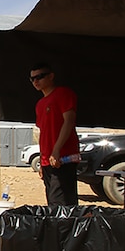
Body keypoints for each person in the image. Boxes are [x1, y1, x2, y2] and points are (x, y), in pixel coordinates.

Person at [30, 62, 80, 206]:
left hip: (64, 157)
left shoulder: (63, 94)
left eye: (40, 77)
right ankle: (58, 227)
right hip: (48, 160)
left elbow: (69, 121)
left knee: (61, 200)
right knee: (52, 200)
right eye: (32, 79)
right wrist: (42, 159)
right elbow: (44, 132)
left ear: (51, 76)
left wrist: (57, 149)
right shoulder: (40, 104)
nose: (36, 81)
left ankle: (66, 228)